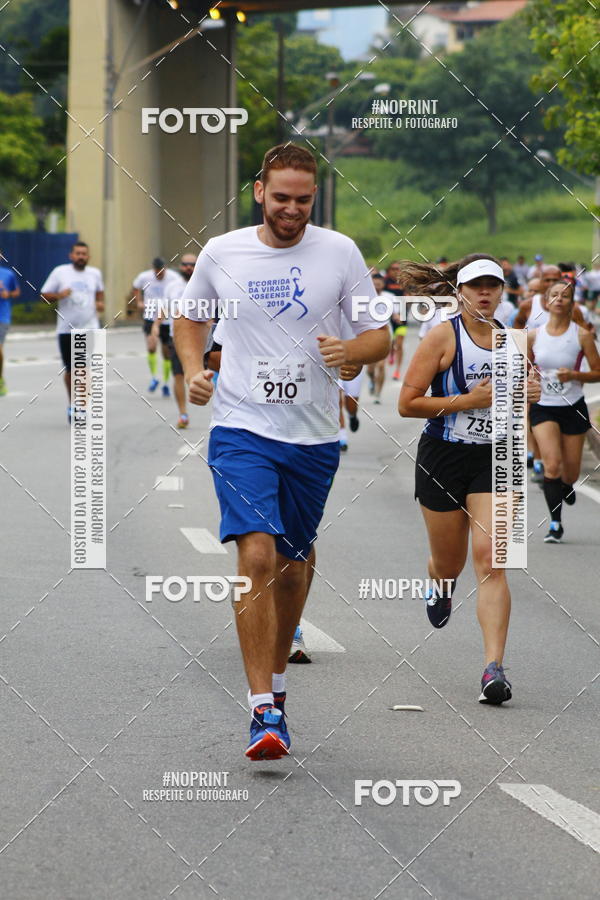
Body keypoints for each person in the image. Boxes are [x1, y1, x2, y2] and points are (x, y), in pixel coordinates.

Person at [174, 143, 389, 760]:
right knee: (258, 555)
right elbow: (191, 318)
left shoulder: (340, 252)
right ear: (259, 192)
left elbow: (378, 334)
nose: (292, 209)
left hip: (315, 435)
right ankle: (262, 709)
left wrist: (356, 353)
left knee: (295, 562)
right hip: (241, 428)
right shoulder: (224, 251)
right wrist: (193, 367)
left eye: (303, 199)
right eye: (282, 197)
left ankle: (280, 684)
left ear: (312, 197)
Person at [398, 254, 540, 705]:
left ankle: (493, 669)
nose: (484, 294)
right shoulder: (444, 336)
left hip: (498, 456)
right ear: (459, 292)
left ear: (502, 293)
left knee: (493, 561)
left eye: (492, 287)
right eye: (475, 286)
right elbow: (407, 403)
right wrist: (466, 401)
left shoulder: (514, 341)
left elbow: (518, 408)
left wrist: (529, 395)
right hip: (443, 455)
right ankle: (440, 584)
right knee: (450, 562)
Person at [528, 279, 600, 543]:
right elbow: (523, 369)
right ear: (546, 302)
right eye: (554, 295)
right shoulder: (534, 336)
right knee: (552, 464)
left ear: (572, 303)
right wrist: (529, 378)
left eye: (565, 296)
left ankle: (567, 485)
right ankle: (555, 523)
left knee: (570, 472)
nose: (559, 299)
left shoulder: (581, 335)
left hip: (573, 407)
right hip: (543, 407)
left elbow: (598, 372)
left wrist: (574, 375)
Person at [40, 241, 104, 422]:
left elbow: (100, 293)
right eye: (78, 253)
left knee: (83, 367)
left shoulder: (95, 273)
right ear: (71, 256)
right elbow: (44, 296)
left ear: (89, 256)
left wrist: (100, 303)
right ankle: (72, 403)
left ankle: (82, 407)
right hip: (66, 330)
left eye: (84, 254)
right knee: (70, 370)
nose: (81, 256)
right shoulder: (60, 272)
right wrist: (60, 295)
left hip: (90, 327)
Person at [133, 257, 183, 396]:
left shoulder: (174, 278)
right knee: (151, 346)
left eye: (161, 271)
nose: (159, 274)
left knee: (166, 352)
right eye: (156, 271)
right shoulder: (144, 276)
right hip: (150, 316)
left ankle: (166, 383)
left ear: (165, 268)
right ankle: (154, 377)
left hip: (167, 319)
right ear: (153, 269)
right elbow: (136, 287)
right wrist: (139, 301)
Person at [158, 254, 196, 428]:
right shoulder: (172, 286)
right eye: (185, 264)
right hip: (177, 337)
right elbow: (165, 307)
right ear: (181, 266)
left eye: (192, 265)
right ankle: (183, 414)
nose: (188, 267)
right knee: (178, 375)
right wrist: (155, 326)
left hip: (201, 338)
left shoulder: (203, 284)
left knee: (204, 376)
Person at [366, 272, 389, 403]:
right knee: (370, 369)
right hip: (370, 336)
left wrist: (397, 317)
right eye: (374, 284)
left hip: (385, 335)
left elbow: (397, 314)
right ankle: (371, 380)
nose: (376, 286)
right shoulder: (365, 299)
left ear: (383, 285)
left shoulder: (389, 298)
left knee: (381, 366)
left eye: (379, 284)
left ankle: (378, 394)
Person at [0, 252, 21, 396]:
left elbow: (17, 292)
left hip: (2, 317)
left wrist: (8, 294)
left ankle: (0, 379)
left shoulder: (8, 274)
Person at [384, 260, 406, 380]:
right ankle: (391, 351)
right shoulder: (385, 282)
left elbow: (410, 295)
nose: (396, 271)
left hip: (402, 316)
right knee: (391, 343)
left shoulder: (404, 282)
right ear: (389, 270)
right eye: (393, 269)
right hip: (387, 316)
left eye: (398, 269)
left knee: (400, 344)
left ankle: (397, 370)